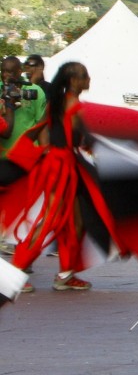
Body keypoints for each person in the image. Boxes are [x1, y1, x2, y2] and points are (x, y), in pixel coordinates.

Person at [9, 62, 95, 293]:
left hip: (60, 163)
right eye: (85, 76)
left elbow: (44, 130)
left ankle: (66, 273)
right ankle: (16, 270)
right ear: (74, 81)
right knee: (51, 218)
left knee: (75, 221)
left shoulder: (56, 103)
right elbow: (82, 140)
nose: (89, 79)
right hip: (63, 166)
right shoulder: (75, 106)